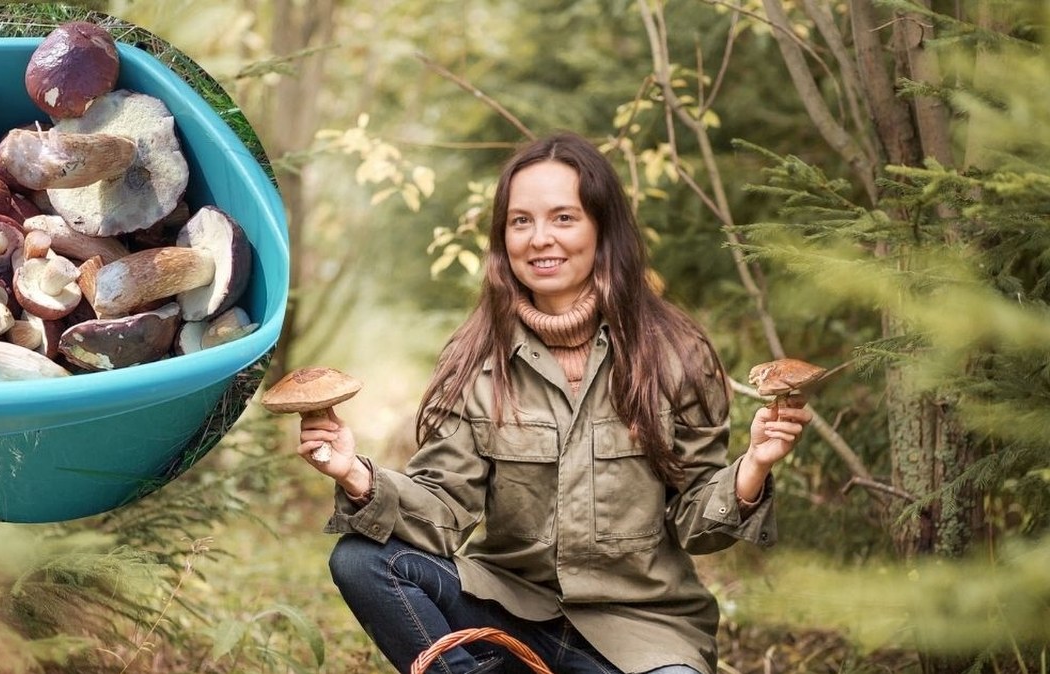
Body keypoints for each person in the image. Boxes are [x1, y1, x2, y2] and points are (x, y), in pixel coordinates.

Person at [296, 131, 813, 674]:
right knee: (362, 559)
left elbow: (696, 526)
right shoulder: (475, 357)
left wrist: (753, 465)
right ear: (503, 237)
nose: (540, 239)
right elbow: (445, 509)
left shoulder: (676, 353)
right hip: (512, 610)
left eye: (563, 218)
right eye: (521, 221)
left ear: (601, 227)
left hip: (641, 636)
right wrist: (355, 474)